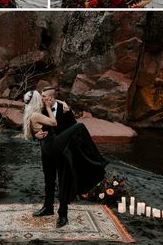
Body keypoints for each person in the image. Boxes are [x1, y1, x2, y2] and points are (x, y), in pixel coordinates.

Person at [23, 89, 108, 228]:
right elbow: (33, 125)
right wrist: (35, 136)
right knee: (48, 180)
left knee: (64, 182)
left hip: (63, 153)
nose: (42, 99)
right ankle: (48, 208)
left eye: (44, 96)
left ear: (51, 98)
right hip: (47, 151)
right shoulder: (41, 108)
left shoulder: (65, 110)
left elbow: (73, 129)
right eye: (42, 97)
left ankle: (63, 215)